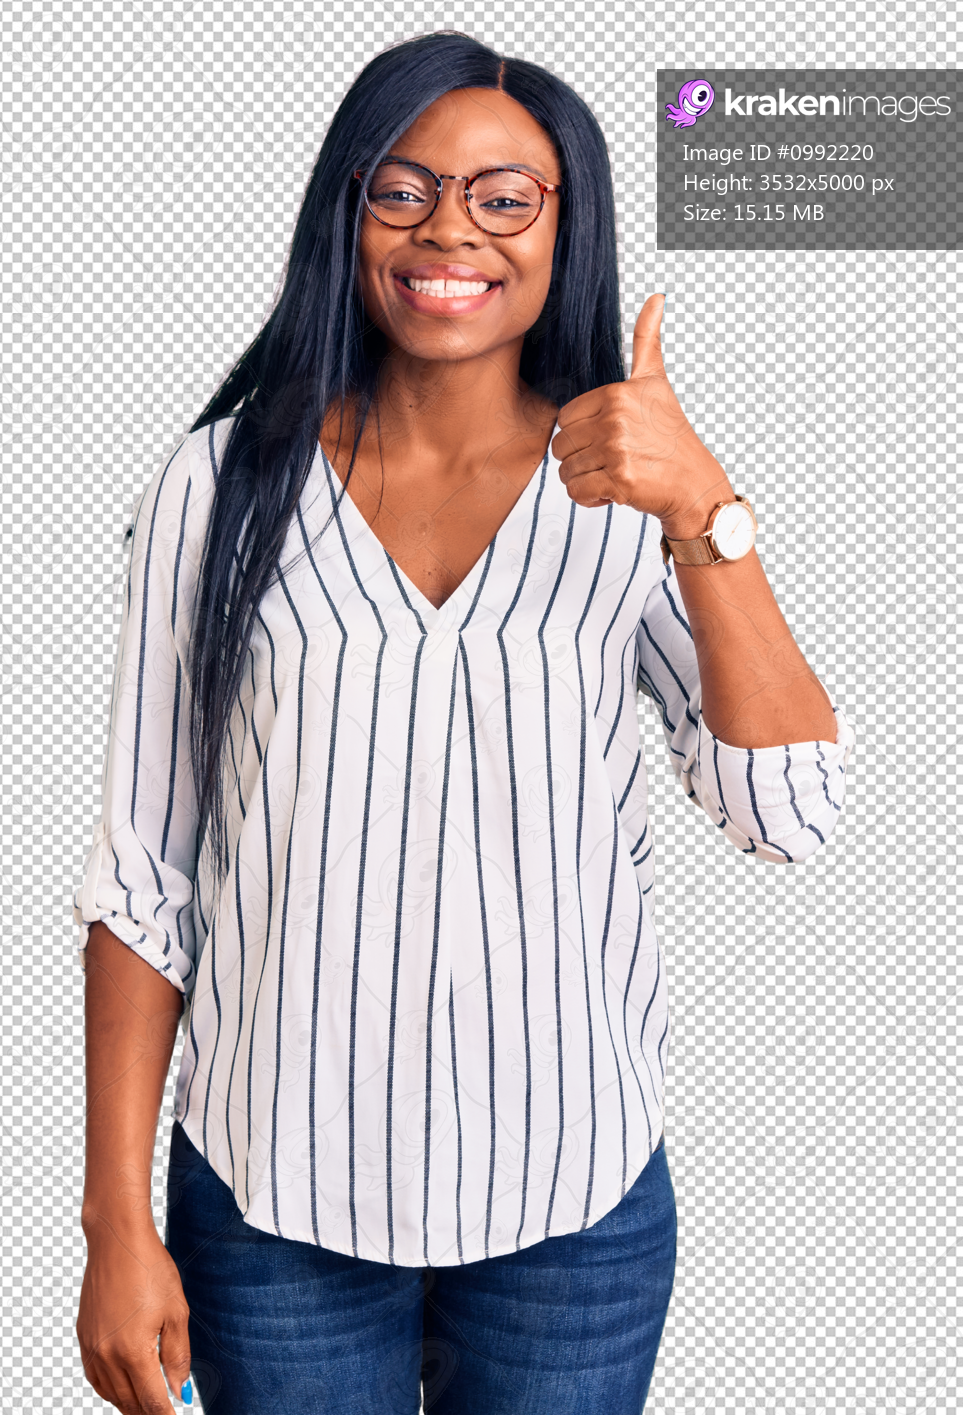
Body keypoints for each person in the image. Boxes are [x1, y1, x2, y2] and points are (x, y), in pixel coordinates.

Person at [73, 31, 854, 1415]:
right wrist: (116, 1223)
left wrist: (704, 516)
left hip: (571, 1202)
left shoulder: (631, 491)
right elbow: (146, 875)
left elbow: (787, 812)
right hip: (274, 1206)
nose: (451, 230)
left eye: (506, 198)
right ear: (347, 209)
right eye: (404, 188)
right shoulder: (222, 483)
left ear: (565, 227)